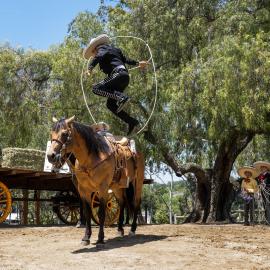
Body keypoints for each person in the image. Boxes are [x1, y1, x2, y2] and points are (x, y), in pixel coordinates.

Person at [83, 34, 148, 135]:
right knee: (111, 104)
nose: (94, 55)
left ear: (95, 48)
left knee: (96, 88)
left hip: (118, 75)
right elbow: (126, 60)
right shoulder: (115, 49)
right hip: (124, 77)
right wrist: (138, 63)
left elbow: (99, 56)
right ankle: (132, 122)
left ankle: (122, 97)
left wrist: (90, 68)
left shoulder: (102, 48)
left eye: (93, 53)